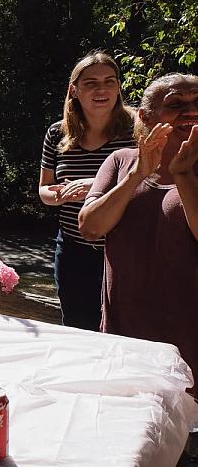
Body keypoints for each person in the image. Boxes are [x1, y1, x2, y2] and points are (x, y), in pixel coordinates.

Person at [79, 73, 198, 393]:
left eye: (197, 102)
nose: (191, 111)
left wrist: (184, 176)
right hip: (124, 340)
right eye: (176, 105)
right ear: (146, 116)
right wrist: (137, 174)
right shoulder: (120, 162)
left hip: (190, 350)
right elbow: (90, 226)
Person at [38, 52, 134, 330]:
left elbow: (148, 180)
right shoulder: (57, 133)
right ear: (74, 90)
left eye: (109, 81)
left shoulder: (137, 130)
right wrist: (59, 195)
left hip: (124, 250)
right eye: (90, 83)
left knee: (124, 328)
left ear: (118, 87)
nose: (101, 89)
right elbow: (43, 189)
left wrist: (95, 185)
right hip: (72, 249)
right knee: (78, 326)